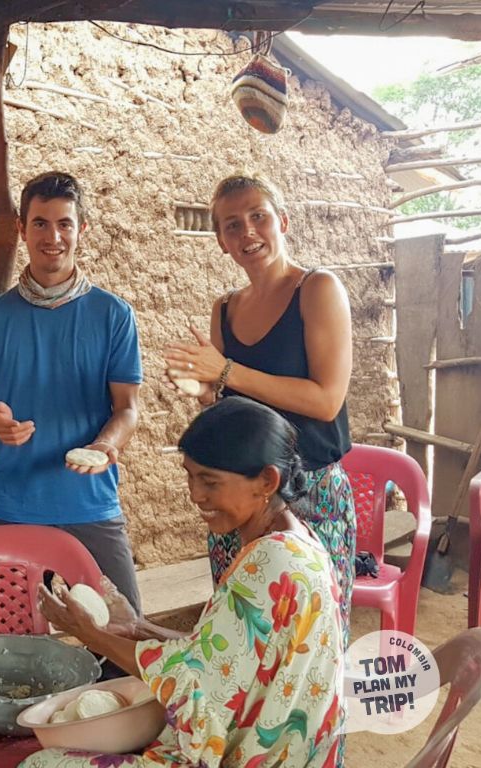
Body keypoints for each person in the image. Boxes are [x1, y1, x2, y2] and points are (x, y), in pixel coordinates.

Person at [22, 397, 345, 768]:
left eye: (210, 481)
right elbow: (218, 657)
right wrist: (137, 628)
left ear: (267, 481)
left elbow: (198, 683)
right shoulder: (295, 542)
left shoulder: (270, 563)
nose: (195, 494)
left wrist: (91, 634)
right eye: (190, 475)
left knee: (43, 763)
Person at [163, 173, 355, 643]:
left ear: (282, 221)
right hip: (240, 499)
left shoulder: (317, 289)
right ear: (221, 241)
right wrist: (207, 392)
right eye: (232, 225)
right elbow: (236, 407)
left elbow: (326, 401)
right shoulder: (225, 308)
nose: (247, 231)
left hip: (311, 492)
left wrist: (226, 371)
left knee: (310, 639)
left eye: (258, 217)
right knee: (239, 638)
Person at [0, 171, 143, 611]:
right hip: (8, 506)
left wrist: (105, 445)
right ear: (22, 229)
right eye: (40, 223)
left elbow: (128, 409)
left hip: (90, 505)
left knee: (124, 632)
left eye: (64, 224)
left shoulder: (113, 315)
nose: (52, 237)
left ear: (81, 229)